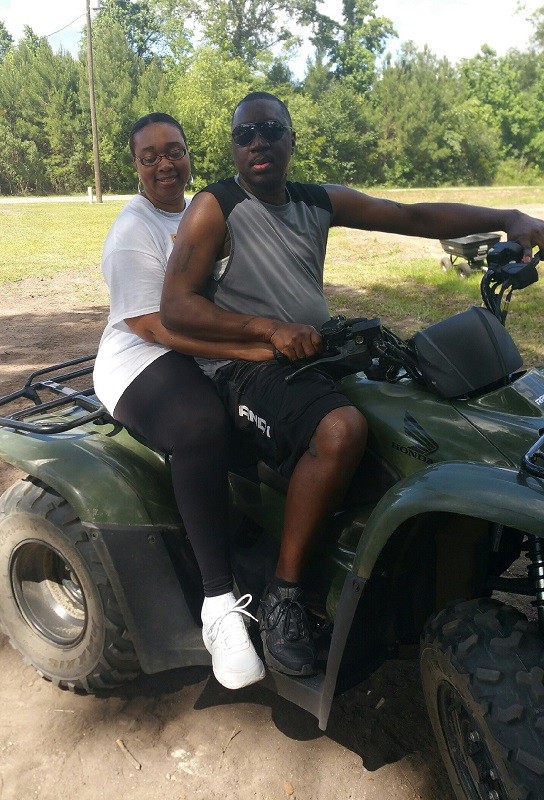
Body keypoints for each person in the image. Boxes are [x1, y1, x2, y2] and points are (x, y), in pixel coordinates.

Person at [160, 92, 544, 678]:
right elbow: (176, 310)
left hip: (315, 353)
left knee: (425, 410)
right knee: (342, 430)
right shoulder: (218, 206)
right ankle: (285, 594)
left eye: (270, 129)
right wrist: (269, 328)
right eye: (245, 135)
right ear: (234, 148)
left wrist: (506, 219)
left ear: (291, 138)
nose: (258, 142)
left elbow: (409, 216)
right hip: (247, 366)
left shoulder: (315, 200)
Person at [93, 112, 274, 691]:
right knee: (200, 423)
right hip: (139, 357)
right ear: (136, 166)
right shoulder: (132, 231)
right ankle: (218, 603)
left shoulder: (203, 209)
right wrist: (256, 345)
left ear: (190, 154)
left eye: (175, 151)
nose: (165, 164)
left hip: (201, 346)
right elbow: (156, 327)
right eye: (150, 157)